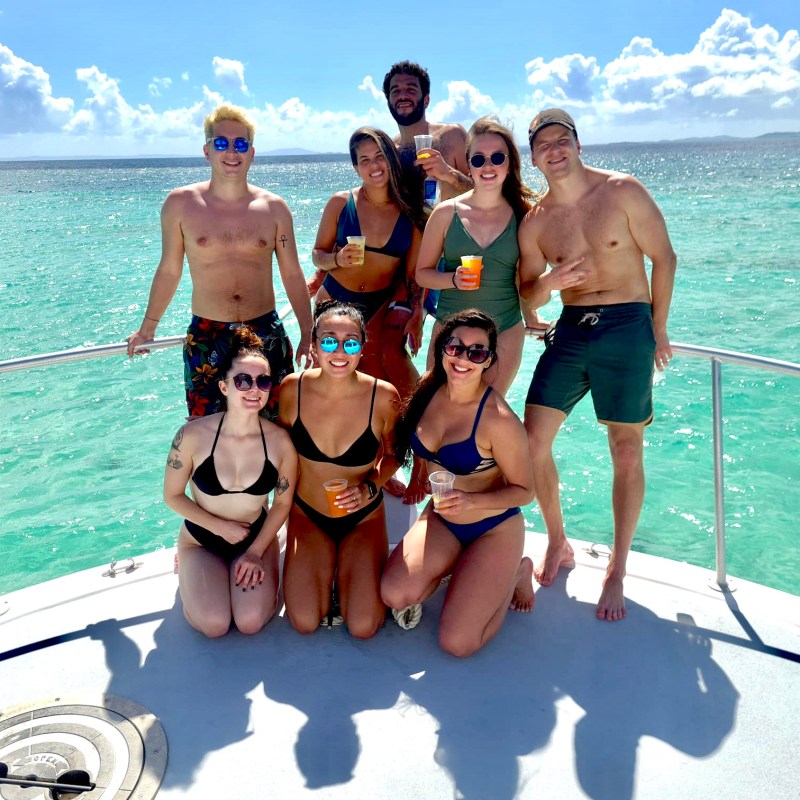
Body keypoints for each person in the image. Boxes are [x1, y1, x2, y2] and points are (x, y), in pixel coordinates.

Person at [518, 108, 677, 622]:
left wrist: (658, 327)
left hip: (628, 323)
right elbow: (528, 296)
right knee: (532, 440)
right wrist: (552, 283)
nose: (554, 150)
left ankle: (618, 567)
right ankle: (558, 541)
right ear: (534, 158)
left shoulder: (621, 190)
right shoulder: (537, 221)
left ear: (578, 144)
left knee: (626, 449)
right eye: (543, 145)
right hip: (570, 328)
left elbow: (664, 257)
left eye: (561, 139)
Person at [126, 103, 313, 420]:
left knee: (278, 428)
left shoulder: (275, 209)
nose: (231, 152)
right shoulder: (181, 204)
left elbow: (292, 274)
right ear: (207, 150)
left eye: (241, 144)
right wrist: (148, 328)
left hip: (265, 330)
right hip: (207, 334)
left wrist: (307, 334)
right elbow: (170, 270)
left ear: (252, 153)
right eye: (221, 143)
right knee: (208, 434)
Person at [380, 310, 535, 657]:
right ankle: (460, 565)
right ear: (442, 349)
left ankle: (515, 573)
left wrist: (471, 502)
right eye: (456, 346)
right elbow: (417, 444)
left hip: (493, 526)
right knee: (394, 594)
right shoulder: (427, 390)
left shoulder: (499, 420)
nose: (463, 357)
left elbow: (526, 491)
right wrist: (417, 477)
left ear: (489, 360)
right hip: (442, 519)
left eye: (476, 352)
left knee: (459, 643)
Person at [278, 301, 401, 639]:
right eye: (329, 340)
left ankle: (347, 577)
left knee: (363, 626)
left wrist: (371, 487)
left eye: (351, 342)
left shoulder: (383, 396)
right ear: (314, 346)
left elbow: (394, 456)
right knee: (303, 621)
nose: (340, 350)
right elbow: (277, 451)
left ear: (363, 347)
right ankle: (332, 573)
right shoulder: (292, 389)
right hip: (307, 515)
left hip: (363, 518)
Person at [164, 326, 297, 637]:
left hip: (254, 540)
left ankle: (245, 569)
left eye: (263, 381)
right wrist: (219, 527)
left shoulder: (280, 443)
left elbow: (282, 504)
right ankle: (191, 568)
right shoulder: (192, 436)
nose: (254, 389)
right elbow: (172, 496)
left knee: (249, 622)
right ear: (224, 387)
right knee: (215, 625)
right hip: (201, 540)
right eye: (243, 380)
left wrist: (256, 551)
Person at [415, 117, 539, 396]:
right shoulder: (445, 213)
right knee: (438, 410)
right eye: (479, 159)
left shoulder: (524, 215)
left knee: (486, 415)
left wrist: (531, 312)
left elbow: (525, 275)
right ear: (468, 163)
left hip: (504, 330)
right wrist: (453, 279)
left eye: (497, 157)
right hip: (450, 331)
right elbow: (422, 274)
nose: (488, 166)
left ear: (510, 163)